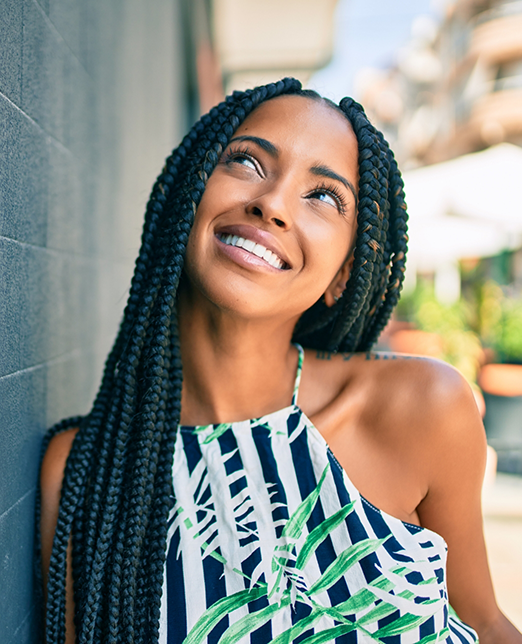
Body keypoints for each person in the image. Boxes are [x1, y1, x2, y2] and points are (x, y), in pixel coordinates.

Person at [39, 78, 522, 644]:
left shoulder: (420, 409)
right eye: (246, 161)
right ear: (188, 194)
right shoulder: (89, 473)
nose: (271, 204)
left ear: (344, 273)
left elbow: (485, 622)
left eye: (323, 196)